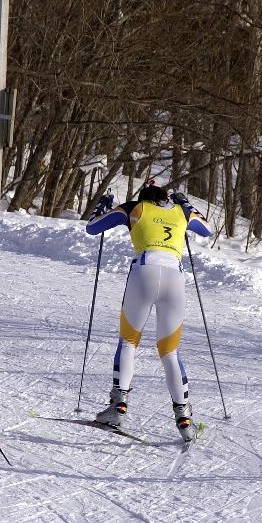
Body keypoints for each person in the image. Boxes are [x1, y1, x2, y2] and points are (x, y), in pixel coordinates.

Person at [86, 182, 212, 442]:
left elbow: (92, 226)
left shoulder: (134, 207)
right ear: (166, 197)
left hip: (144, 270)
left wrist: (104, 202)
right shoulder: (181, 212)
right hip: (174, 278)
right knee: (170, 351)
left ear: (143, 196)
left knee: (129, 341)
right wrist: (184, 201)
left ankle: (118, 406)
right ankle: (185, 418)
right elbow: (208, 229)